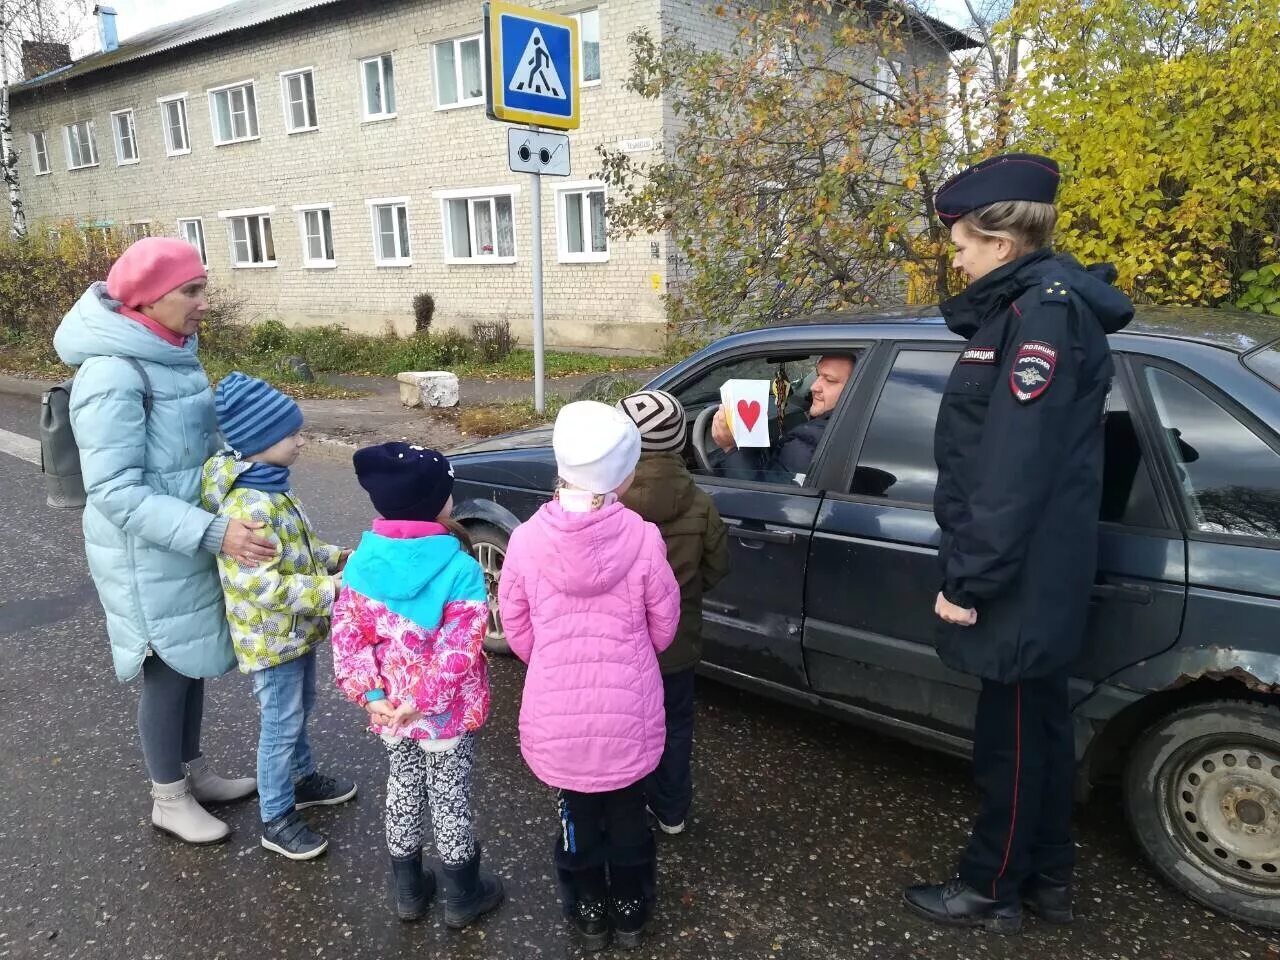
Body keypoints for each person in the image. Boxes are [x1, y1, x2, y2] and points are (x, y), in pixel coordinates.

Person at [902, 153, 1134, 932]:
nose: (957, 257)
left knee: (1014, 746)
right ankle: (1048, 879)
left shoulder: (1042, 317)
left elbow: (1012, 468)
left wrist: (968, 582)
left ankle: (990, 888)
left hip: (1020, 577)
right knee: (1039, 730)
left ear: (1002, 243)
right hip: (1035, 570)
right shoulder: (1034, 308)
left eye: (964, 242)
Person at [53, 237, 273, 845]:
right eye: (192, 291)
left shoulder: (172, 352)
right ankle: (167, 798)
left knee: (191, 657)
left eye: (204, 287)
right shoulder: (112, 372)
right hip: (143, 551)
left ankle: (192, 772)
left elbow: (196, 450)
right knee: (165, 668)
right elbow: (115, 492)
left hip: (183, 541)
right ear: (149, 299)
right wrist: (214, 531)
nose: (205, 302)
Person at [499, 402, 681, 952]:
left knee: (576, 815)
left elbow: (516, 626)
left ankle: (588, 909)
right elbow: (665, 625)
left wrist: (554, 659)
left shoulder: (527, 539)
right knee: (629, 815)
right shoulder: (645, 537)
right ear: (624, 476)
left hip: (558, 711)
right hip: (628, 708)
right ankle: (631, 909)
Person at [332, 443, 504, 928]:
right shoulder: (460, 568)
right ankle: (461, 895)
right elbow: (459, 651)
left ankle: (409, 892)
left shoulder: (363, 564)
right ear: (438, 504)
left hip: (390, 712)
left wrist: (375, 697)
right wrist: (422, 702)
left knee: (403, 787)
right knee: (450, 797)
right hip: (443, 715)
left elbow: (347, 638)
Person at [201, 372, 357, 860]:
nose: (301, 441)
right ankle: (276, 815)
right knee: (281, 722)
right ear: (260, 440)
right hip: (271, 640)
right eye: (292, 435)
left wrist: (337, 558)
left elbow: (298, 552)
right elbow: (260, 584)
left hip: (293, 632)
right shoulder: (250, 507)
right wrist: (330, 589)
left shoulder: (271, 488)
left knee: (299, 708)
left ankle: (302, 778)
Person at [616, 390, 729, 835]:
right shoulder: (701, 503)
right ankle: (672, 810)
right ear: (681, 439)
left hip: (621, 646)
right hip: (677, 641)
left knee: (624, 726)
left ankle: (625, 808)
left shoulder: (607, 502)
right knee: (675, 724)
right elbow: (718, 567)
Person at [710, 354, 855, 483]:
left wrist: (730, 448)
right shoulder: (852, 425)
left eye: (829, 380)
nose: (814, 386)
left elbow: (758, 499)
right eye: (817, 375)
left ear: (855, 388)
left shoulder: (809, 446)